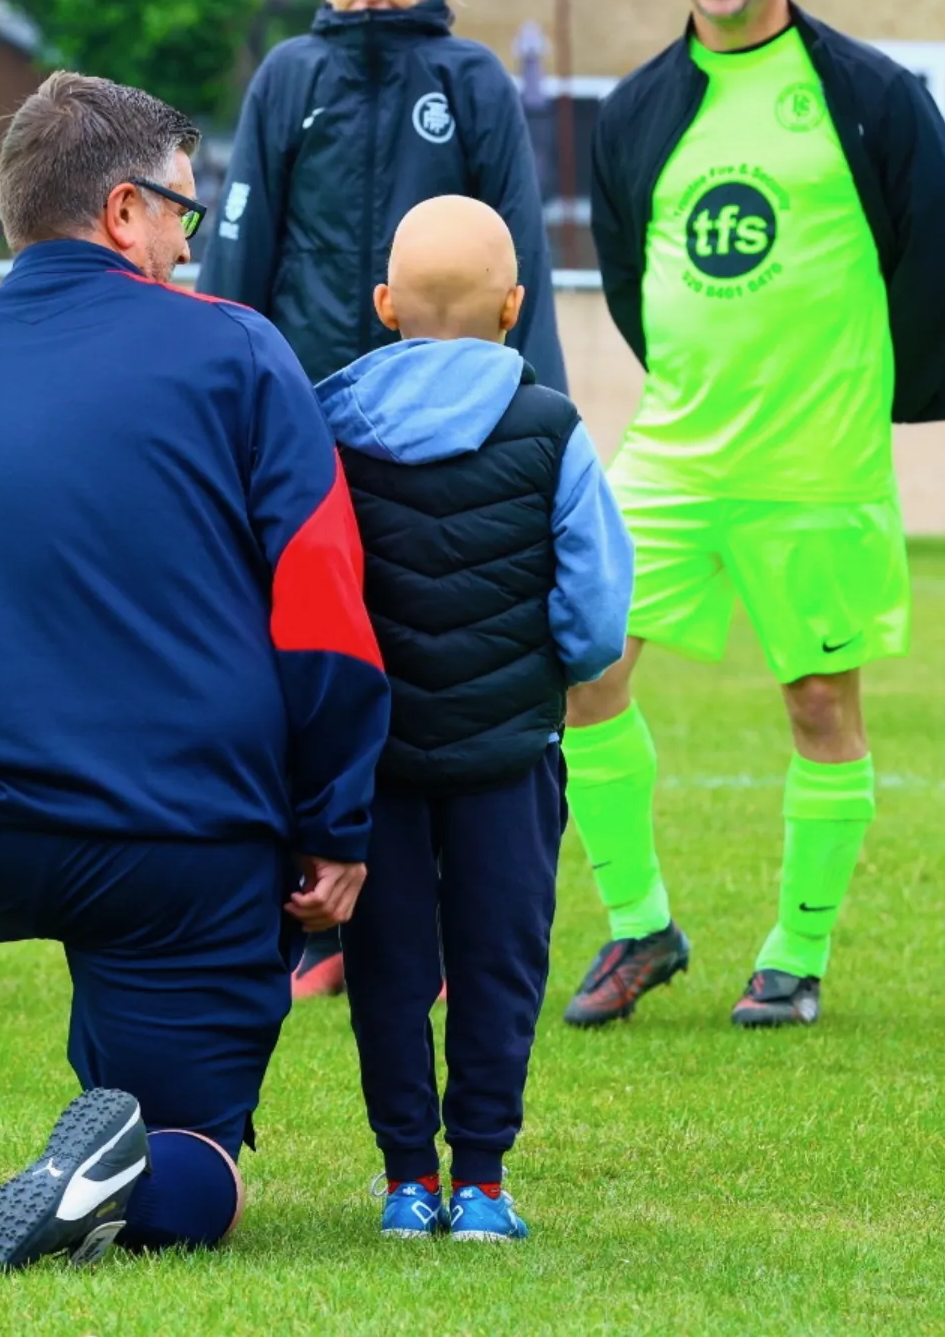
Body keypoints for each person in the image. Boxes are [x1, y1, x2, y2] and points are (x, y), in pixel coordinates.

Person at [0, 70, 388, 1272]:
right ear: (124, 212)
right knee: (203, 1175)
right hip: (178, 846)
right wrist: (335, 824)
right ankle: (117, 1164)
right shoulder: (238, 347)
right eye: (184, 206)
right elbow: (325, 602)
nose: (192, 235)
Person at [565, 0, 945, 1032]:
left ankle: (794, 956)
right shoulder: (636, 108)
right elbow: (634, 285)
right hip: (673, 460)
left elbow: (935, 258)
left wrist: (860, 396)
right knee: (584, 672)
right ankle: (640, 927)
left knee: (818, 708)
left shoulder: (871, 91)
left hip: (819, 468)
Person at [200, 0, 564, 1000]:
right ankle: (319, 933)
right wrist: (220, 402)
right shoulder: (287, 80)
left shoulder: (473, 81)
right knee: (310, 673)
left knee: (431, 670)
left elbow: (524, 259)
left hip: (449, 433)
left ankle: (441, 935)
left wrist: (531, 407)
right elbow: (238, 242)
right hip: (317, 432)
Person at [319, 194, 632, 1241]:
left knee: (388, 967)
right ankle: (485, 1183)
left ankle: (408, 1179)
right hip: (510, 754)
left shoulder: (330, 430)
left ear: (381, 305)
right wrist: (548, 669)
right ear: (514, 305)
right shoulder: (550, 429)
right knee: (499, 961)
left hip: (377, 763)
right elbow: (594, 614)